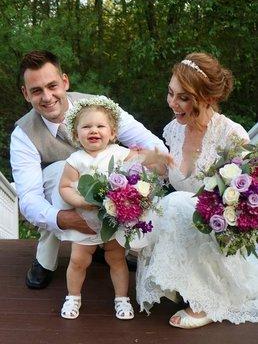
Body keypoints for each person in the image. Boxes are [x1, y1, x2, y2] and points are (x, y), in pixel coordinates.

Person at [10, 50, 168, 290]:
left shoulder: (100, 107)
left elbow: (149, 142)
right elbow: (29, 198)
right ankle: (45, 260)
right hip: (60, 191)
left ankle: (114, 244)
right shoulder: (23, 134)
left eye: (52, 86)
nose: (47, 96)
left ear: (65, 81)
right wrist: (64, 219)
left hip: (107, 183)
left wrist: (151, 167)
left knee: (138, 162)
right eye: (36, 90)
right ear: (25, 94)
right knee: (62, 169)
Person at [136, 52, 258, 328]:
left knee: (178, 202)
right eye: (170, 93)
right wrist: (154, 164)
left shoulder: (232, 135)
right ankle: (179, 282)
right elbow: (172, 176)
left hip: (218, 233)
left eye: (183, 98)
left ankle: (203, 302)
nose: (173, 103)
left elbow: (245, 201)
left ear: (208, 98)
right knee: (159, 207)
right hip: (187, 226)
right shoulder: (173, 130)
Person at [52, 96, 171, 319]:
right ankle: (73, 297)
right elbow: (65, 186)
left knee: (116, 259)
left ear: (113, 133)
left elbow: (143, 162)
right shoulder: (75, 160)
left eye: (100, 126)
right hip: (85, 220)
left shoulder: (119, 153)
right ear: (76, 135)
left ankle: (121, 298)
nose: (93, 130)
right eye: (86, 127)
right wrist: (79, 201)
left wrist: (154, 157)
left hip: (113, 221)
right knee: (78, 261)